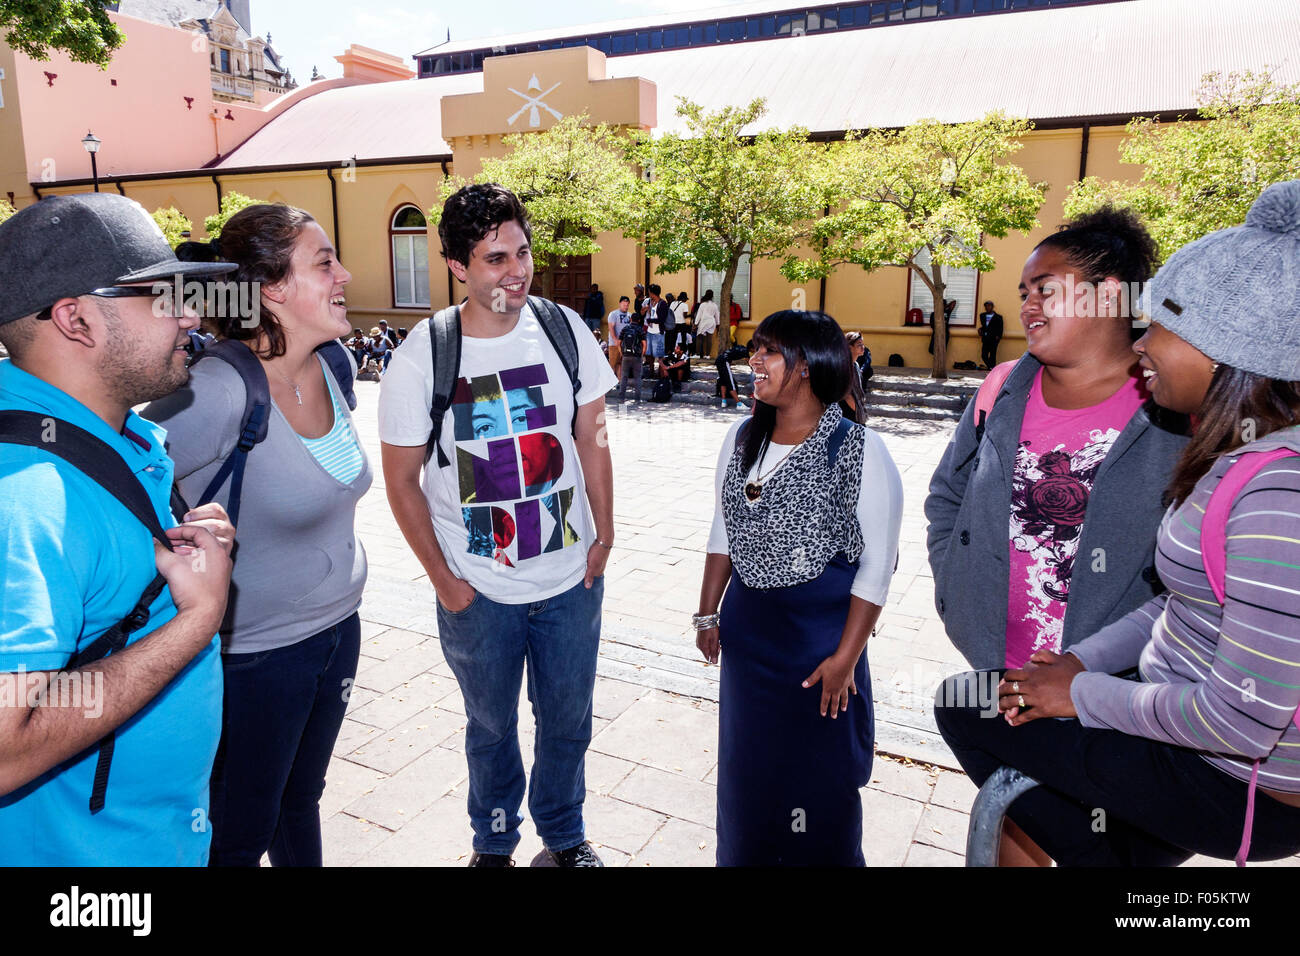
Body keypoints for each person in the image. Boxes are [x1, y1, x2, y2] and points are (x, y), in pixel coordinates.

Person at [934, 179, 1300, 867]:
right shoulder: (1236, 459)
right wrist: (1075, 669)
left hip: (1223, 771)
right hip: (1126, 700)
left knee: (972, 717)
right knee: (1006, 766)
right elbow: (1180, 598)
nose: (1143, 343)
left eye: (1159, 325)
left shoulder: (1270, 486)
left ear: (1220, 344)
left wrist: (1081, 690)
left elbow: (1243, 718)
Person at [378, 183, 618, 867]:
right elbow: (400, 482)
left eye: (522, 252)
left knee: (568, 722)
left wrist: (605, 535)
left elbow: (593, 439)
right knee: (490, 729)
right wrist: (446, 581)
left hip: (570, 579)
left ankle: (565, 836)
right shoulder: (424, 354)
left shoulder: (564, 331)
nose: (516, 270)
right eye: (494, 259)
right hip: (477, 592)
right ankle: (494, 841)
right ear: (457, 265)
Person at [0, 193, 235, 864]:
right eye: (161, 296)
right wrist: (196, 618)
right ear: (75, 320)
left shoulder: (112, 437)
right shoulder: (29, 500)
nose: (190, 315)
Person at [143, 202, 372, 867]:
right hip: (258, 659)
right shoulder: (215, 392)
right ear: (271, 289)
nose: (345, 276)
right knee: (240, 833)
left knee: (300, 798)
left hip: (337, 635)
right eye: (324, 262)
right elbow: (122, 481)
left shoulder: (332, 365)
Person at [926, 207, 1189, 676]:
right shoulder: (1002, 387)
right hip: (995, 667)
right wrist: (955, 582)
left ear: (1107, 294)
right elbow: (948, 494)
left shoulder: (1175, 405)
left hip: (1114, 689)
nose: (1028, 306)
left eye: (1045, 289)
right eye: (1024, 293)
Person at [696, 310, 903, 865]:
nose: (753, 362)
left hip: (819, 651)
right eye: (754, 349)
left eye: (769, 352)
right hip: (751, 643)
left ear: (808, 367)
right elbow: (724, 529)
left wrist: (845, 658)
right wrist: (707, 613)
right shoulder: (742, 439)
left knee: (819, 786)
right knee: (747, 779)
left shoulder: (858, 450)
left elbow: (878, 566)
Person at [618, 312, 648, 402]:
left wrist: (622, 353)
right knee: (637, 378)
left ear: (630, 319)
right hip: (637, 356)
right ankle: (637, 399)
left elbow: (619, 342)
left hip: (626, 356)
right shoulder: (640, 329)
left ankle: (621, 398)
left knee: (624, 377)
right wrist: (642, 355)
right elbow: (644, 344)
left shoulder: (625, 329)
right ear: (639, 320)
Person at [643, 283, 671, 374]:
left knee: (659, 355)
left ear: (652, 292)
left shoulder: (662, 304)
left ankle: (660, 374)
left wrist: (650, 320)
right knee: (649, 354)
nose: (648, 294)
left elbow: (662, 319)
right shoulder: (649, 302)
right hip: (649, 331)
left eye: (649, 292)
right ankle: (651, 372)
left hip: (659, 332)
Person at [716, 342, 749, 410]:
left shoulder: (740, 347)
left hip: (719, 359)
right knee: (730, 383)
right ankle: (739, 404)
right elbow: (750, 363)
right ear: (752, 348)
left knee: (723, 381)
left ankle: (724, 402)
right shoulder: (746, 352)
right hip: (724, 361)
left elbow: (729, 354)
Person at [607, 295, 632, 373]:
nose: (626, 306)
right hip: (614, 344)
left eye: (627, 305)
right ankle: (611, 383)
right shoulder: (613, 314)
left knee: (621, 364)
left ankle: (620, 382)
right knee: (613, 364)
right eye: (624, 304)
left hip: (625, 344)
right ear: (620, 304)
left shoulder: (629, 315)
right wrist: (615, 340)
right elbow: (611, 327)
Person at [977, 300, 1004, 370]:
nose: (987, 307)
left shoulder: (998, 317)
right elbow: (985, 326)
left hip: (994, 338)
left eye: (989, 306)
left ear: (992, 307)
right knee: (984, 355)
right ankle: (991, 367)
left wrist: (998, 337)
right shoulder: (982, 315)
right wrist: (980, 330)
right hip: (985, 338)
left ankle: (992, 368)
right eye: (986, 306)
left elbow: (1000, 328)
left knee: (992, 354)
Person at [694, 289, 719, 358]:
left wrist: (695, 324)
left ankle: (697, 354)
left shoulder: (703, 305)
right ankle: (707, 355)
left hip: (704, 322)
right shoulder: (715, 305)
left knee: (699, 337)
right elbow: (717, 316)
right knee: (709, 339)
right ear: (712, 296)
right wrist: (718, 325)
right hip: (712, 322)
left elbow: (699, 315)